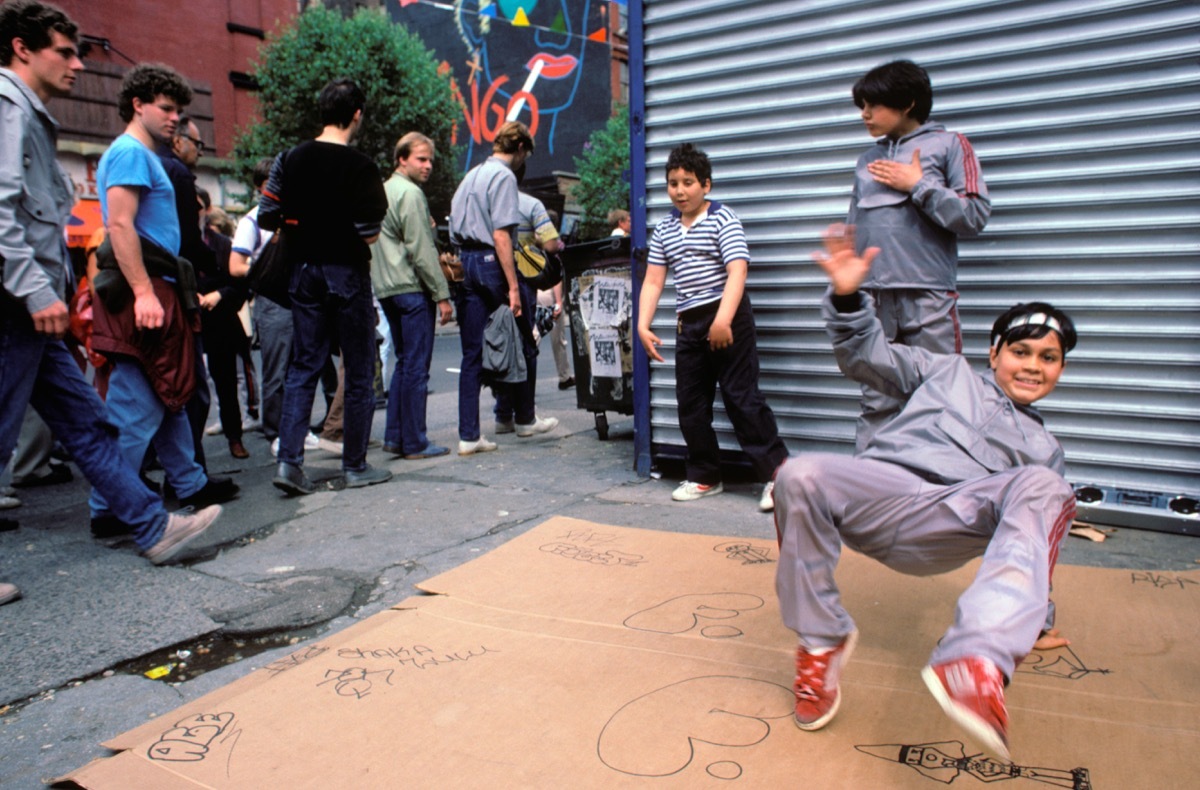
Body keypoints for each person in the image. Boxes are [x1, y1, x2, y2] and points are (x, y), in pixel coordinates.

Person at [774, 224, 1077, 760]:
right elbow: (866, 355)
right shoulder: (945, 371)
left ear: (1061, 369)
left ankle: (978, 659)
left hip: (953, 518)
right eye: (1022, 351)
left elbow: (1035, 542)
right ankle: (821, 643)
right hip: (884, 490)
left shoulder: (1043, 448)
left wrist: (1038, 619)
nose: (1032, 366)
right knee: (798, 474)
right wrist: (848, 296)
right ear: (994, 352)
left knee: (1047, 485)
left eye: (1047, 358)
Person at [0, 3, 223, 598]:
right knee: (38, 425)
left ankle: (151, 525)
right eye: (64, 51)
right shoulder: (14, 110)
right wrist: (36, 288)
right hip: (25, 301)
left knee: (93, 423)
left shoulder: (34, 115)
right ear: (22, 48)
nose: (77, 62)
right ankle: (136, 515)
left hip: (39, 299)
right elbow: (110, 226)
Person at [90, 62, 238, 519]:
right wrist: (144, 293)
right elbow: (119, 225)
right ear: (138, 104)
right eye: (166, 107)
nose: (174, 117)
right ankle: (108, 505)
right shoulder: (131, 153)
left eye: (178, 110)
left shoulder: (140, 154)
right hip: (148, 286)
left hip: (157, 284)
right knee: (137, 403)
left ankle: (189, 483)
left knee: (168, 393)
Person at [847, 59, 991, 451]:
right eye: (861, 105)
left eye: (872, 105)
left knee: (940, 395)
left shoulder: (949, 145)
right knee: (877, 396)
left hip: (928, 298)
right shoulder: (865, 160)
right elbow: (854, 227)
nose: (864, 114)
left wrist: (918, 185)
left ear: (907, 102)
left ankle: (937, 493)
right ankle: (868, 493)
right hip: (875, 299)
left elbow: (975, 215)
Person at [637, 143, 788, 512]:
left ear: (706, 185)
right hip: (689, 324)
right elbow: (654, 280)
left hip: (727, 318)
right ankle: (705, 474)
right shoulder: (665, 230)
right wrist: (642, 325)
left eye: (688, 182)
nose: (680, 190)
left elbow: (738, 270)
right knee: (691, 404)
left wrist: (723, 319)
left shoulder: (723, 219)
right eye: (673, 183)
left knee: (742, 399)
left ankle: (779, 477)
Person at [258, 78, 390, 495]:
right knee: (358, 365)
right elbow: (369, 231)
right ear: (357, 113)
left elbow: (266, 213)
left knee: (304, 366)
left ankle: (289, 463)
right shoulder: (362, 167)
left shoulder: (289, 158)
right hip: (346, 271)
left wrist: (301, 224)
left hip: (301, 270)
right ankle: (354, 464)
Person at [449, 120, 557, 456]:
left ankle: (469, 435)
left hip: (465, 262)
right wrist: (513, 286)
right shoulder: (505, 177)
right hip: (491, 263)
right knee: (526, 336)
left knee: (471, 353)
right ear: (521, 149)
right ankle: (524, 418)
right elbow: (501, 236)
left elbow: (453, 227)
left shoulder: (472, 175)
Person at [370, 132, 453, 460]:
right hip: (411, 288)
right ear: (401, 159)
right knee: (416, 366)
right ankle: (416, 441)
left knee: (404, 364)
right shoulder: (411, 194)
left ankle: (396, 437)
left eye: (430, 159)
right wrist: (442, 295)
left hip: (387, 288)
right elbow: (421, 250)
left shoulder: (382, 191)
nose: (428, 165)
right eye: (421, 158)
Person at [493, 186, 563, 434]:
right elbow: (552, 244)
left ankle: (503, 415)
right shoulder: (531, 204)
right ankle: (526, 417)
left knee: (503, 346)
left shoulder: (488, 201)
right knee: (526, 345)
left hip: (492, 276)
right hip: (521, 278)